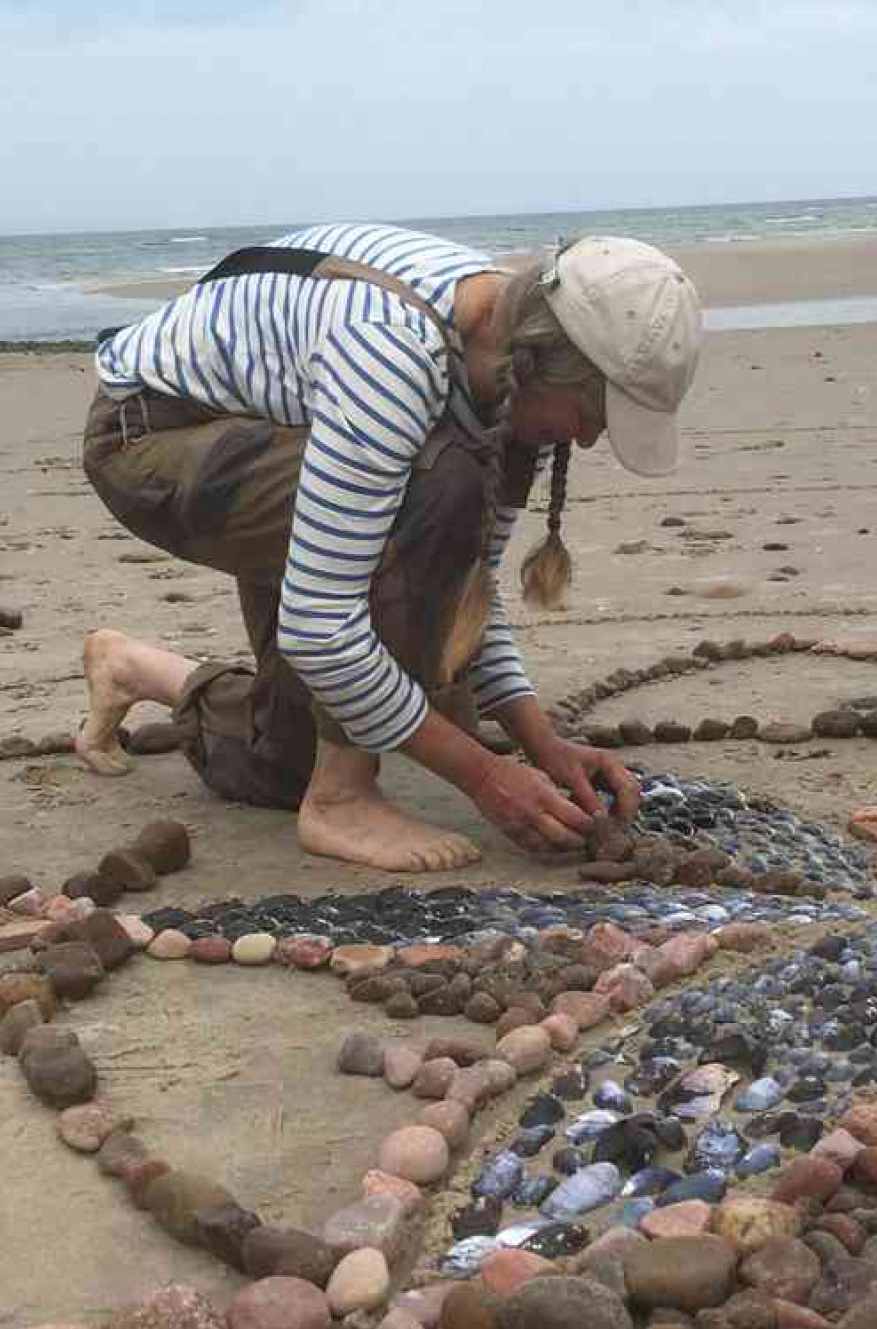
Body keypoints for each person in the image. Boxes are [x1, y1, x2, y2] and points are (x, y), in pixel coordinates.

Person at [78, 223, 701, 873]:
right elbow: (321, 630)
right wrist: (485, 776)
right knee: (442, 495)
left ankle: (135, 668)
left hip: (295, 432)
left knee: (288, 762)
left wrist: (543, 744)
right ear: (536, 364)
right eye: (591, 416)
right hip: (153, 435)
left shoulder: (508, 359)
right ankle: (341, 798)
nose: (591, 441)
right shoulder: (392, 355)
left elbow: (466, 594)